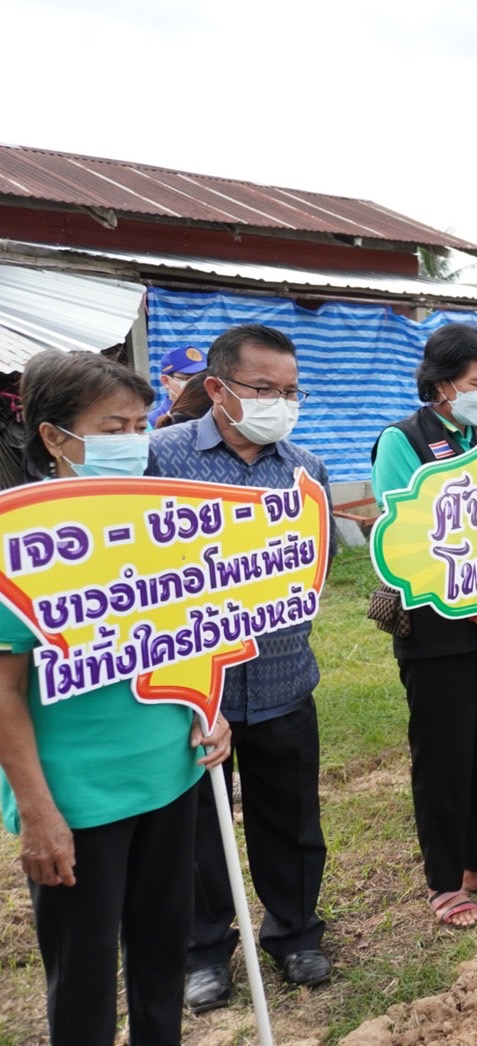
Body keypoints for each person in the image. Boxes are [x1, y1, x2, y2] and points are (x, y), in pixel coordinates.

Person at [1, 349, 230, 1044]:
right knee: (85, 976)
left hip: (171, 774)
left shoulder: (158, 523)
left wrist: (209, 711)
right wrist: (38, 812)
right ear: (55, 438)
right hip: (80, 797)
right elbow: (4, 690)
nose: (134, 442)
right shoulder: (22, 539)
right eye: (114, 427)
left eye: (140, 424)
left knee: (162, 957)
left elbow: (190, 633)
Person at [149, 324, 334, 1010]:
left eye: (290, 391)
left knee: (290, 817)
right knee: (196, 828)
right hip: (194, 693)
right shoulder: (157, 459)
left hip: (284, 678)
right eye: (264, 389)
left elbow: (317, 566)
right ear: (219, 388)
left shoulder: (304, 467)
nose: (280, 402)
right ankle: (203, 950)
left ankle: (295, 932)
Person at [370, 324, 477, 927]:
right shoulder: (402, 440)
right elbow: (410, 543)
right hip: (440, 630)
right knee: (445, 756)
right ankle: (445, 880)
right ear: (442, 383)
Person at [149, 344, 207, 427]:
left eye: (202, 377)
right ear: (166, 381)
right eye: (188, 378)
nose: (198, 383)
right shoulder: (150, 422)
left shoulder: (218, 415)